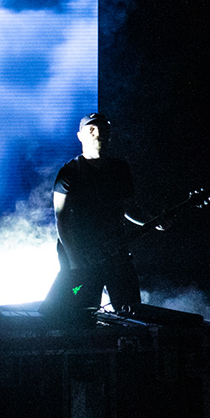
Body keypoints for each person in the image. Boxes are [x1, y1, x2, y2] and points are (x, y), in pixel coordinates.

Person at [48, 112, 153, 315]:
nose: (98, 133)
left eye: (103, 129)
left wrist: (153, 221)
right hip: (82, 254)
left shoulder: (120, 169)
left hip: (116, 252)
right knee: (81, 307)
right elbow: (61, 220)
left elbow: (129, 208)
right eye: (91, 129)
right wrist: (74, 261)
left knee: (131, 308)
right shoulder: (69, 171)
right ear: (80, 136)